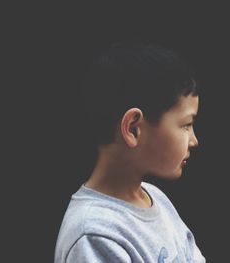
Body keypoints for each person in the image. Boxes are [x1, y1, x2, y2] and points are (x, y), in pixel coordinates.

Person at [54, 40, 206, 263]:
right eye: (185, 125)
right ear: (133, 129)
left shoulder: (156, 198)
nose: (194, 140)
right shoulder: (94, 235)